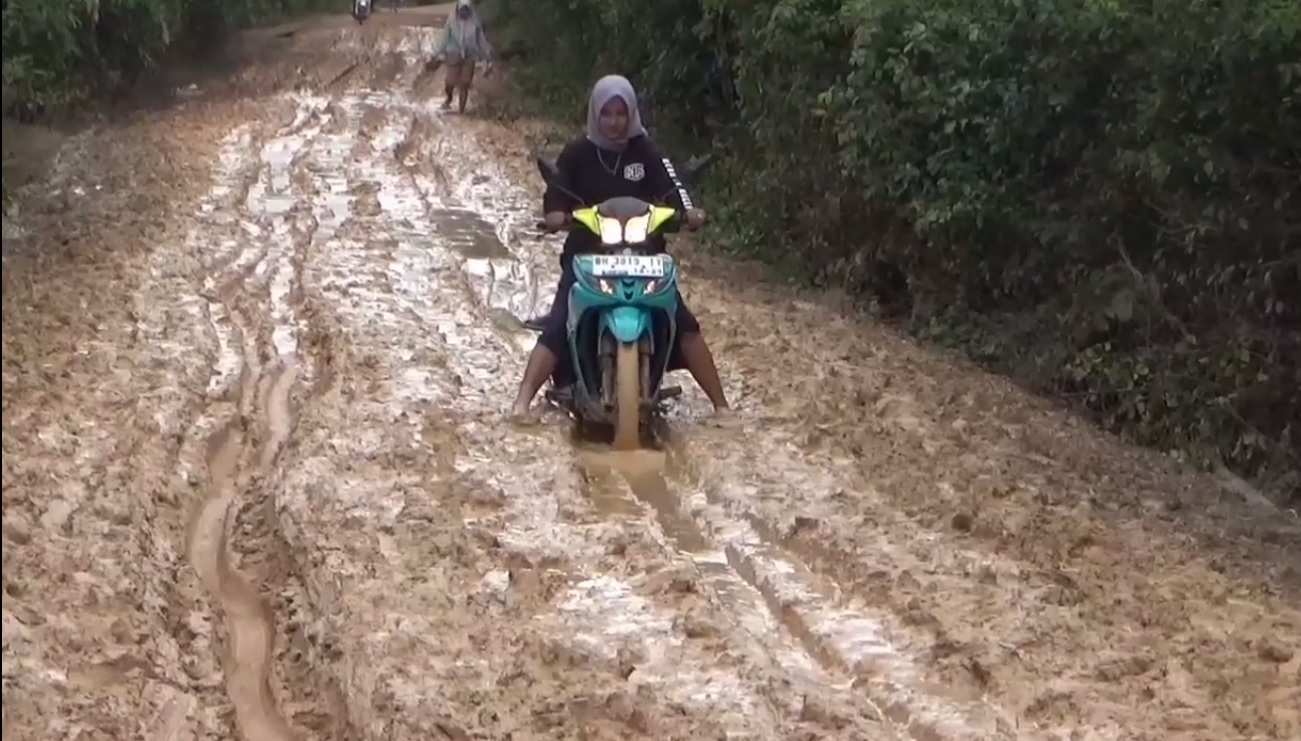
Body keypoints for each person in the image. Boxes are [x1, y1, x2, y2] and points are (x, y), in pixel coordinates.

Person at [510, 74, 731, 420]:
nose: (614, 122)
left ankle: (722, 407)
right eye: (607, 114)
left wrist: (688, 212)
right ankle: (522, 402)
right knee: (558, 323)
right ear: (595, 115)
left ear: (632, 115)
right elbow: (557, 192)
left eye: (621, 114)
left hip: (645, 255)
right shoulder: (578, 153)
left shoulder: (647, 151)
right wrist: (555, 214)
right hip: (588, 255)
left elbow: (672, 186)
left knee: (683, 322)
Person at [430, 0, 492, 113]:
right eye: (461, 10)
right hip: (454, 54)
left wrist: (486, 55)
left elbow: (481, 41)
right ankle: (449, 97)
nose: (464, 12)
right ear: (457, 10)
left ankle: (461, 110)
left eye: (466, 10)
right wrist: (435, 54)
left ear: (470, 10)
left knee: (465, 83)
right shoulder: (451, 22)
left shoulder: (475, 23)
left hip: (470, 55)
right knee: (450, 81)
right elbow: (444, 39)